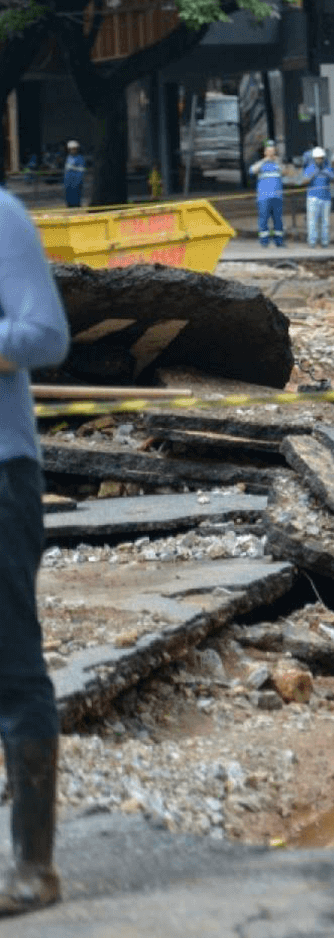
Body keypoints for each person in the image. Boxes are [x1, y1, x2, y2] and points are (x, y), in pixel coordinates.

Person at [0, 184, 72, 918]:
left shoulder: (2, 219)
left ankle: (34, 866)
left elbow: (44, 335)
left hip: (0, 475)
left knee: (12, 668)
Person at [249, 143, 286, 248]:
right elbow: (252, 170)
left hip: (277, 197)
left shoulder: (277, 164)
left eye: (273, 151)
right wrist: (264, 161)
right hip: (264, 197)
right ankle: (264, 241)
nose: (271, 153)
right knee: (263, 219)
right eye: (269, 151)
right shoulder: (261, 164)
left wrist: (278, 161)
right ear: (265, 152)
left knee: (278, 220)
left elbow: (285, 171)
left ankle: (279, 241)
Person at [301, 146, 334, 247]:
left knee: (325, 222)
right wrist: (311, 175)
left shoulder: (328, 168)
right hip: (313, 197)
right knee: (312, 221)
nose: (319, 160)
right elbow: (304, 181)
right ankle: (312, 241)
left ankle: (324, 241)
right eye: (317, 158)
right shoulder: (310, 168)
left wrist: (329, 175)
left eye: (320, 158)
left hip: (326, 197)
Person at [60, 141, 84, 208]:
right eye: (71, 149)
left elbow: (81, 169)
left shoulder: (80, 158)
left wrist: (73, 168)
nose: (72, 150)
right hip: (68, 180)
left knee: (76, 194)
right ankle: (69, 204)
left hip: (76, 180)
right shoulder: (69, 157)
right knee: (69, 194)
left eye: (74, 149)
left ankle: (76, 205)